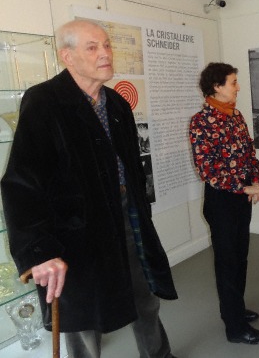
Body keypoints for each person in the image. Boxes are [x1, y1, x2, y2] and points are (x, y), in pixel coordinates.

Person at [0, 19, 178, 358]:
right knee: (81, 317)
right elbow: (21, 183)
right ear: (67, 56)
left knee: (145, 297)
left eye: (107, 45)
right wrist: (39, 251)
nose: (105, 54)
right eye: (92, 47)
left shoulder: (117, 104)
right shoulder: (45, 102)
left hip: (126, 218)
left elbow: (132, 167)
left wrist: (139, 208)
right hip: (74, 232)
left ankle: (159, 355)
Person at [189, 62, 259, 344]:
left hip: (241, 198)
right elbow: (207, 169)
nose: (238, 87)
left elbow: (249, 154)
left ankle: (235, 308)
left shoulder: (235, 116)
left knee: (240, 258)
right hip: (222, 200)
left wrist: (256, 181)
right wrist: (242, 186)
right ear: (217, 86)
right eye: (233, 82)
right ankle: (235, 328)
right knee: (227, 263)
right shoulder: (201, 121)